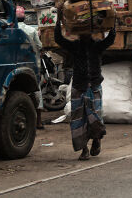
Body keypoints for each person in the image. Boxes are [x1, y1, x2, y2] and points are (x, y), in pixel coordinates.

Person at [54, 14, 116, 160]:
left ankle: (96, 140)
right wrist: (58, 20)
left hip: (94, 86)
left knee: (95, 118)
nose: (85, 35)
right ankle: (84, 149)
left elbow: (110, 39)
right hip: (79, 87)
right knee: (78, 120)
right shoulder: (74, 46)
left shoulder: (97, 45)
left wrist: (113, 21)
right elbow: (59, 39)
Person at [16, 7, 44, 130]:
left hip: (13, 64)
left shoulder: (10, 30)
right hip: (29, 64)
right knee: (36, 91)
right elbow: (39, 46)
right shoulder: (31, 30)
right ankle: (39, 121)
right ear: (24, 18)